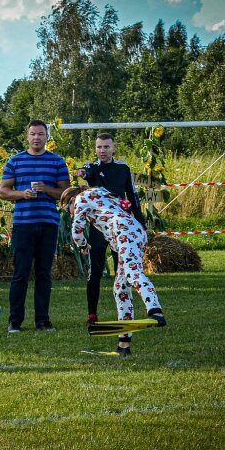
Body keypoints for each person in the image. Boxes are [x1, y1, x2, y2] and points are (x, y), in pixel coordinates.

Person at [61, 186, 166, 356]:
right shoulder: (101, 193)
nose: (68, 212)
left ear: (72, 199)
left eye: (67, 208)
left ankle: (155, 310)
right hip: (134, 231)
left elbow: (77, 230)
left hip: (124, 230)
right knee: (120, 289)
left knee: (133, 273)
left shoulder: (81, 198)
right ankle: (124, 345)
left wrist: (83, 245)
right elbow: (125, 203)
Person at [0, 119, 70, 333]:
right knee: (20, 273)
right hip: (23, 224)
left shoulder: (57, 162)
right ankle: (14, 321)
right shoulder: (15, 161)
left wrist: (46, 189)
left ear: (47, 136)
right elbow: (3, 191)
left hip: (48, 224)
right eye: (33, 134)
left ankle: (42, 320)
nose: (37, 138)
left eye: (40, 134)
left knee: (43, 274)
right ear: (27, 136)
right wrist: (22, 194)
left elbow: (66, 194)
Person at [74, 133, 146, 328]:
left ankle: (123, 314)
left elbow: (133, 198)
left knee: (122, 272)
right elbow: (86, 172)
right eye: (99, 147)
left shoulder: (123, 169)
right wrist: (82, 173)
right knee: (95, 272)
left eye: (106, 147)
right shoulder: (92, 167)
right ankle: (91, 315)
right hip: (98, 228)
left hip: (120, 227)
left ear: (114, 148)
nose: (102, 151)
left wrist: (140, 223)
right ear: (95, 149)